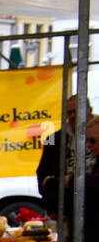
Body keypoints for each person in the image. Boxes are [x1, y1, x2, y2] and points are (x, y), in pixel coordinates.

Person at [37, 94, 78, 226]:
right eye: (69, 112)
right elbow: (42, 172)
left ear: (88, 109)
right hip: (67, 203)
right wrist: (51, 205)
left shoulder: (95, 132)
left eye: (75, 111)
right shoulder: (53, 138)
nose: (72, 116)